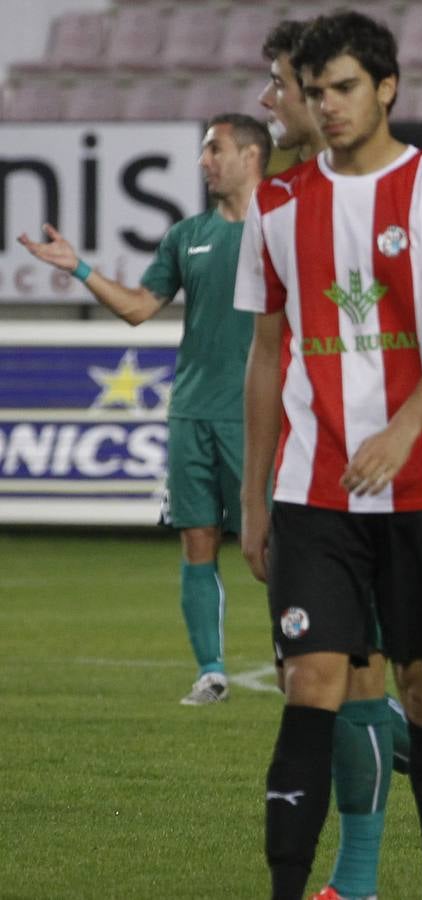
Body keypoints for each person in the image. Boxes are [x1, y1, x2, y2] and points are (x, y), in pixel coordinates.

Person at [257, 20, 422, 900]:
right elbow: (268, 356)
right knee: (314, 679)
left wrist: (406, 425)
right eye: (315, 89)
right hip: (313, 485)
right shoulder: (278, 204)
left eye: (341, 87)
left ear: (387, 88)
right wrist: (253, 501)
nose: (325, 105)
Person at [17, 114, 271, 706]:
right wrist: (77, 267)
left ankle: (313, 648)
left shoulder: (281, 230)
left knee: (273, 548)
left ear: (251, 156)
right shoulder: (187, 235)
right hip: (190, 412)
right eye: (204, 150)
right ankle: (210, 670)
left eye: (216, 148)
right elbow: (138, 308)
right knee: (196, 538)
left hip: (257, 416)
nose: (204, 160)